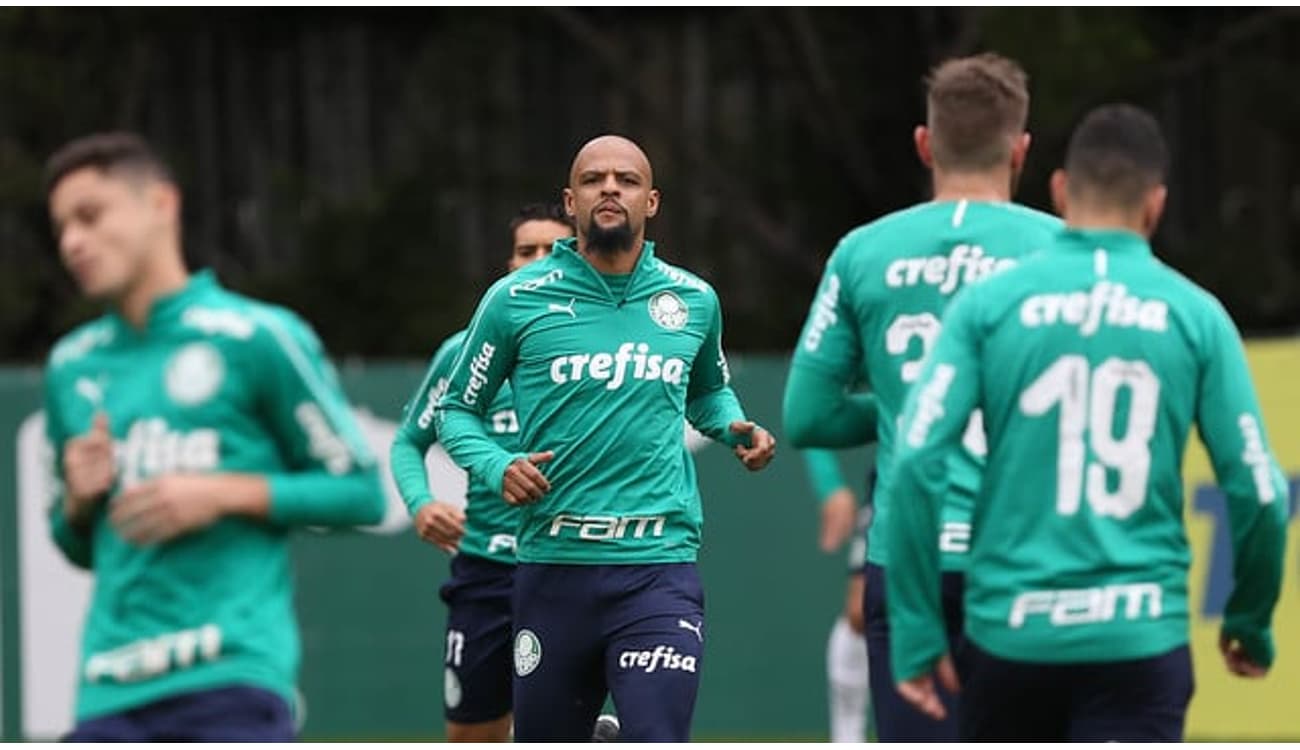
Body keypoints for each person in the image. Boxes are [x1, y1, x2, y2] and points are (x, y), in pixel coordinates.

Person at [885, 103, 1289, 741]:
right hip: (1139, 639)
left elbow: (912, 464)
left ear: (1060, 190)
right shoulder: (1197, 315)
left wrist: (915, 627)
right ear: (1155, 205)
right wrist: (1249, 619)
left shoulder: (988, 305)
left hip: (1011, 638)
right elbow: (1261, 494)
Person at [42, 132, 385, 741]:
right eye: (62, 227)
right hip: (107, 688)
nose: (72, 242)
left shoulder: (257, 336)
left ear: (160, 204)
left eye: (90, 216)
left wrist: (221, 494)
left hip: (230, 679)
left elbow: (360, 490)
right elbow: (74, 543)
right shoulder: (71, 365)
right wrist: (78, 499)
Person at [434, 134, 776, 741]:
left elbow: (706, 392)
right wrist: (495, 465)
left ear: (653, 202)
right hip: (551, 567)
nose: (610, 188)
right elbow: (457, 411)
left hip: (658, 566)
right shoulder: (515, 300)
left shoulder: (693, 300)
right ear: (571, 201)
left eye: (627, 179)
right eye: (594, 180)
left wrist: (733, 426)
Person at [782, 53, 1061, 740]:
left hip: (910, 560)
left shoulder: (863, 251)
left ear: (925, 144)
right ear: (1021, 150)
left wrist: (907, 411)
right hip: (1027, 559)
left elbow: (806, 414)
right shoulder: (1063, 252)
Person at [389, 203, 574, 741]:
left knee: (560, 726)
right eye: (525, 250)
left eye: (553, 249)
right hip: (485, 572)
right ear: (507, 263)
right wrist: (421, 503)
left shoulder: (602, 351)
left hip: (570, 564)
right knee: (472, 734)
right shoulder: (465, 352)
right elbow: (409, 441)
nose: (538, 261)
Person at [801, 449, 873, 742]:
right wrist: (829, 484)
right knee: (861, 610)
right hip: (905, 475)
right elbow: (812, 412)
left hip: (991, 476)